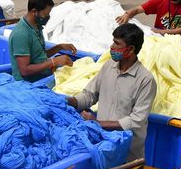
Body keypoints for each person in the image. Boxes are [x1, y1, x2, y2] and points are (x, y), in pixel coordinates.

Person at [66, 23, 156, 161]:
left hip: (128, 155)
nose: (111, 47)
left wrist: (98, 123)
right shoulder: (108, 66)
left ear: (130, 49)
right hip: (103, 147)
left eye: (117, 44)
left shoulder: (145, 80)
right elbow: (90, 95)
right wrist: (70, 101)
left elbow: (136, 120)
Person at [8, 0, 77, 81]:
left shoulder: (36, 26)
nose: (47, 17)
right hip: (28, 84)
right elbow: (24, 70)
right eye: (45, 14)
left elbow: (38, 55)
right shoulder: (21, 34)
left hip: (42, 76)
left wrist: (59, 47)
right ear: (34, 12)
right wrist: (53, 62)